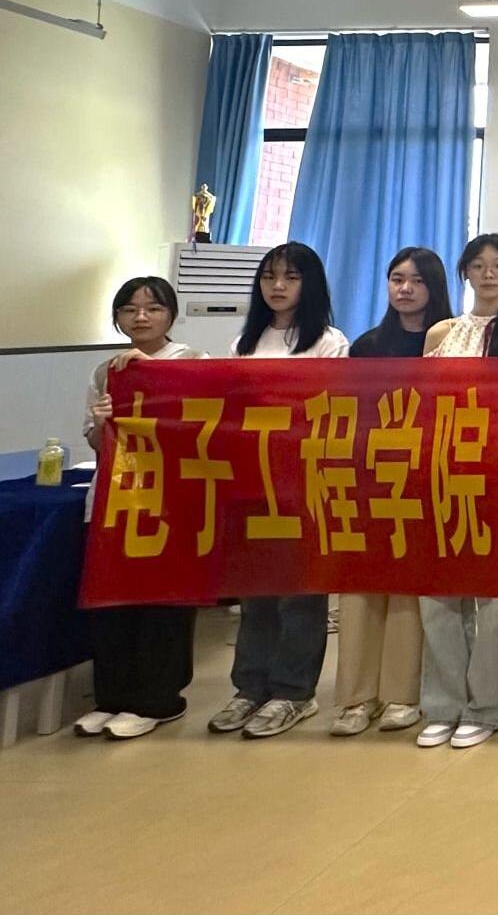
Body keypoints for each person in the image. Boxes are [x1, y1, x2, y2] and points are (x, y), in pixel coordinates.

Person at [206, 243, 351, 740]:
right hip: (251, 479)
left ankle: (294, 692)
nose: (278, 286)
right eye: (269, 277)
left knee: (299, 592)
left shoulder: (329, 343)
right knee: (255, 590)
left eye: (290, 276)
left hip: (302, 481)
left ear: (310, 284)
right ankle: (250, 687)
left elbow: (330, 410)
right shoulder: (242, 344)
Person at [415, 233, 498, 749]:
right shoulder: (440, 333)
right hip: (441, 471)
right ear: (465, 272)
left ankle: (487, 707)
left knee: (495, 596)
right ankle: (442, 704)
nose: (488, 275)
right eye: (479, 266)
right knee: (438, 593)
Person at [330, 247, 453, 737]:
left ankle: (403, 694)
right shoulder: (366, 346)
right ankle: (356, 697)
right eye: (397, 278)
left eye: (417, 281)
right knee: (361, 583)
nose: (405, 288)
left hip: (424, 475)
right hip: (369, 474)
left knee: (408, 584)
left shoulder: (449, 344)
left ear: (434, 287)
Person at [75, 278, 205, 740]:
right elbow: (96, 441)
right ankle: (112, 697)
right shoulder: (106, 370)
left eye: (153, 308)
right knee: (112, 600)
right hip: (114, 499)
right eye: (129, 310)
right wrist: (103, 422)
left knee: (162, 601)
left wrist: (153, 378)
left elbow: (200, 430)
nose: (141, 317)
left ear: (171, 315)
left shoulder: (194, 362)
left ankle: (159, 699)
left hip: (170, 500)